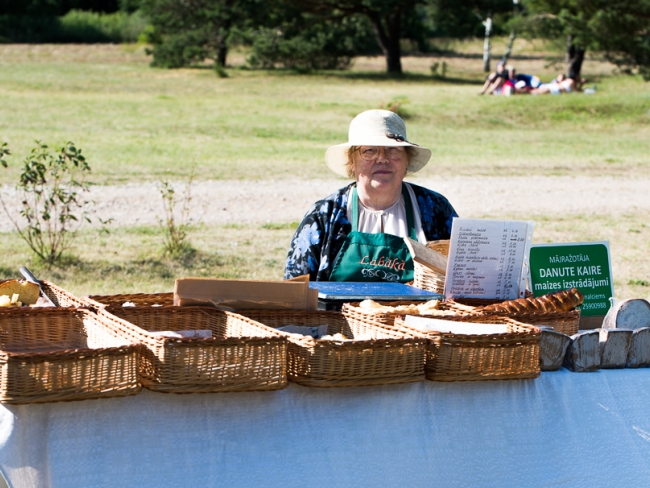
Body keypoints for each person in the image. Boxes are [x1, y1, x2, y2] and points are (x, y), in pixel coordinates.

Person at [284, 109, 458, 282]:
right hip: (338, 311)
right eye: (369, 151)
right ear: (352, 162)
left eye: (393, 150)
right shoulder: (324, 215)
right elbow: (295, 291)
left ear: (407, 160)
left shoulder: (435, 208)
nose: (382, 158)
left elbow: (464, 277)